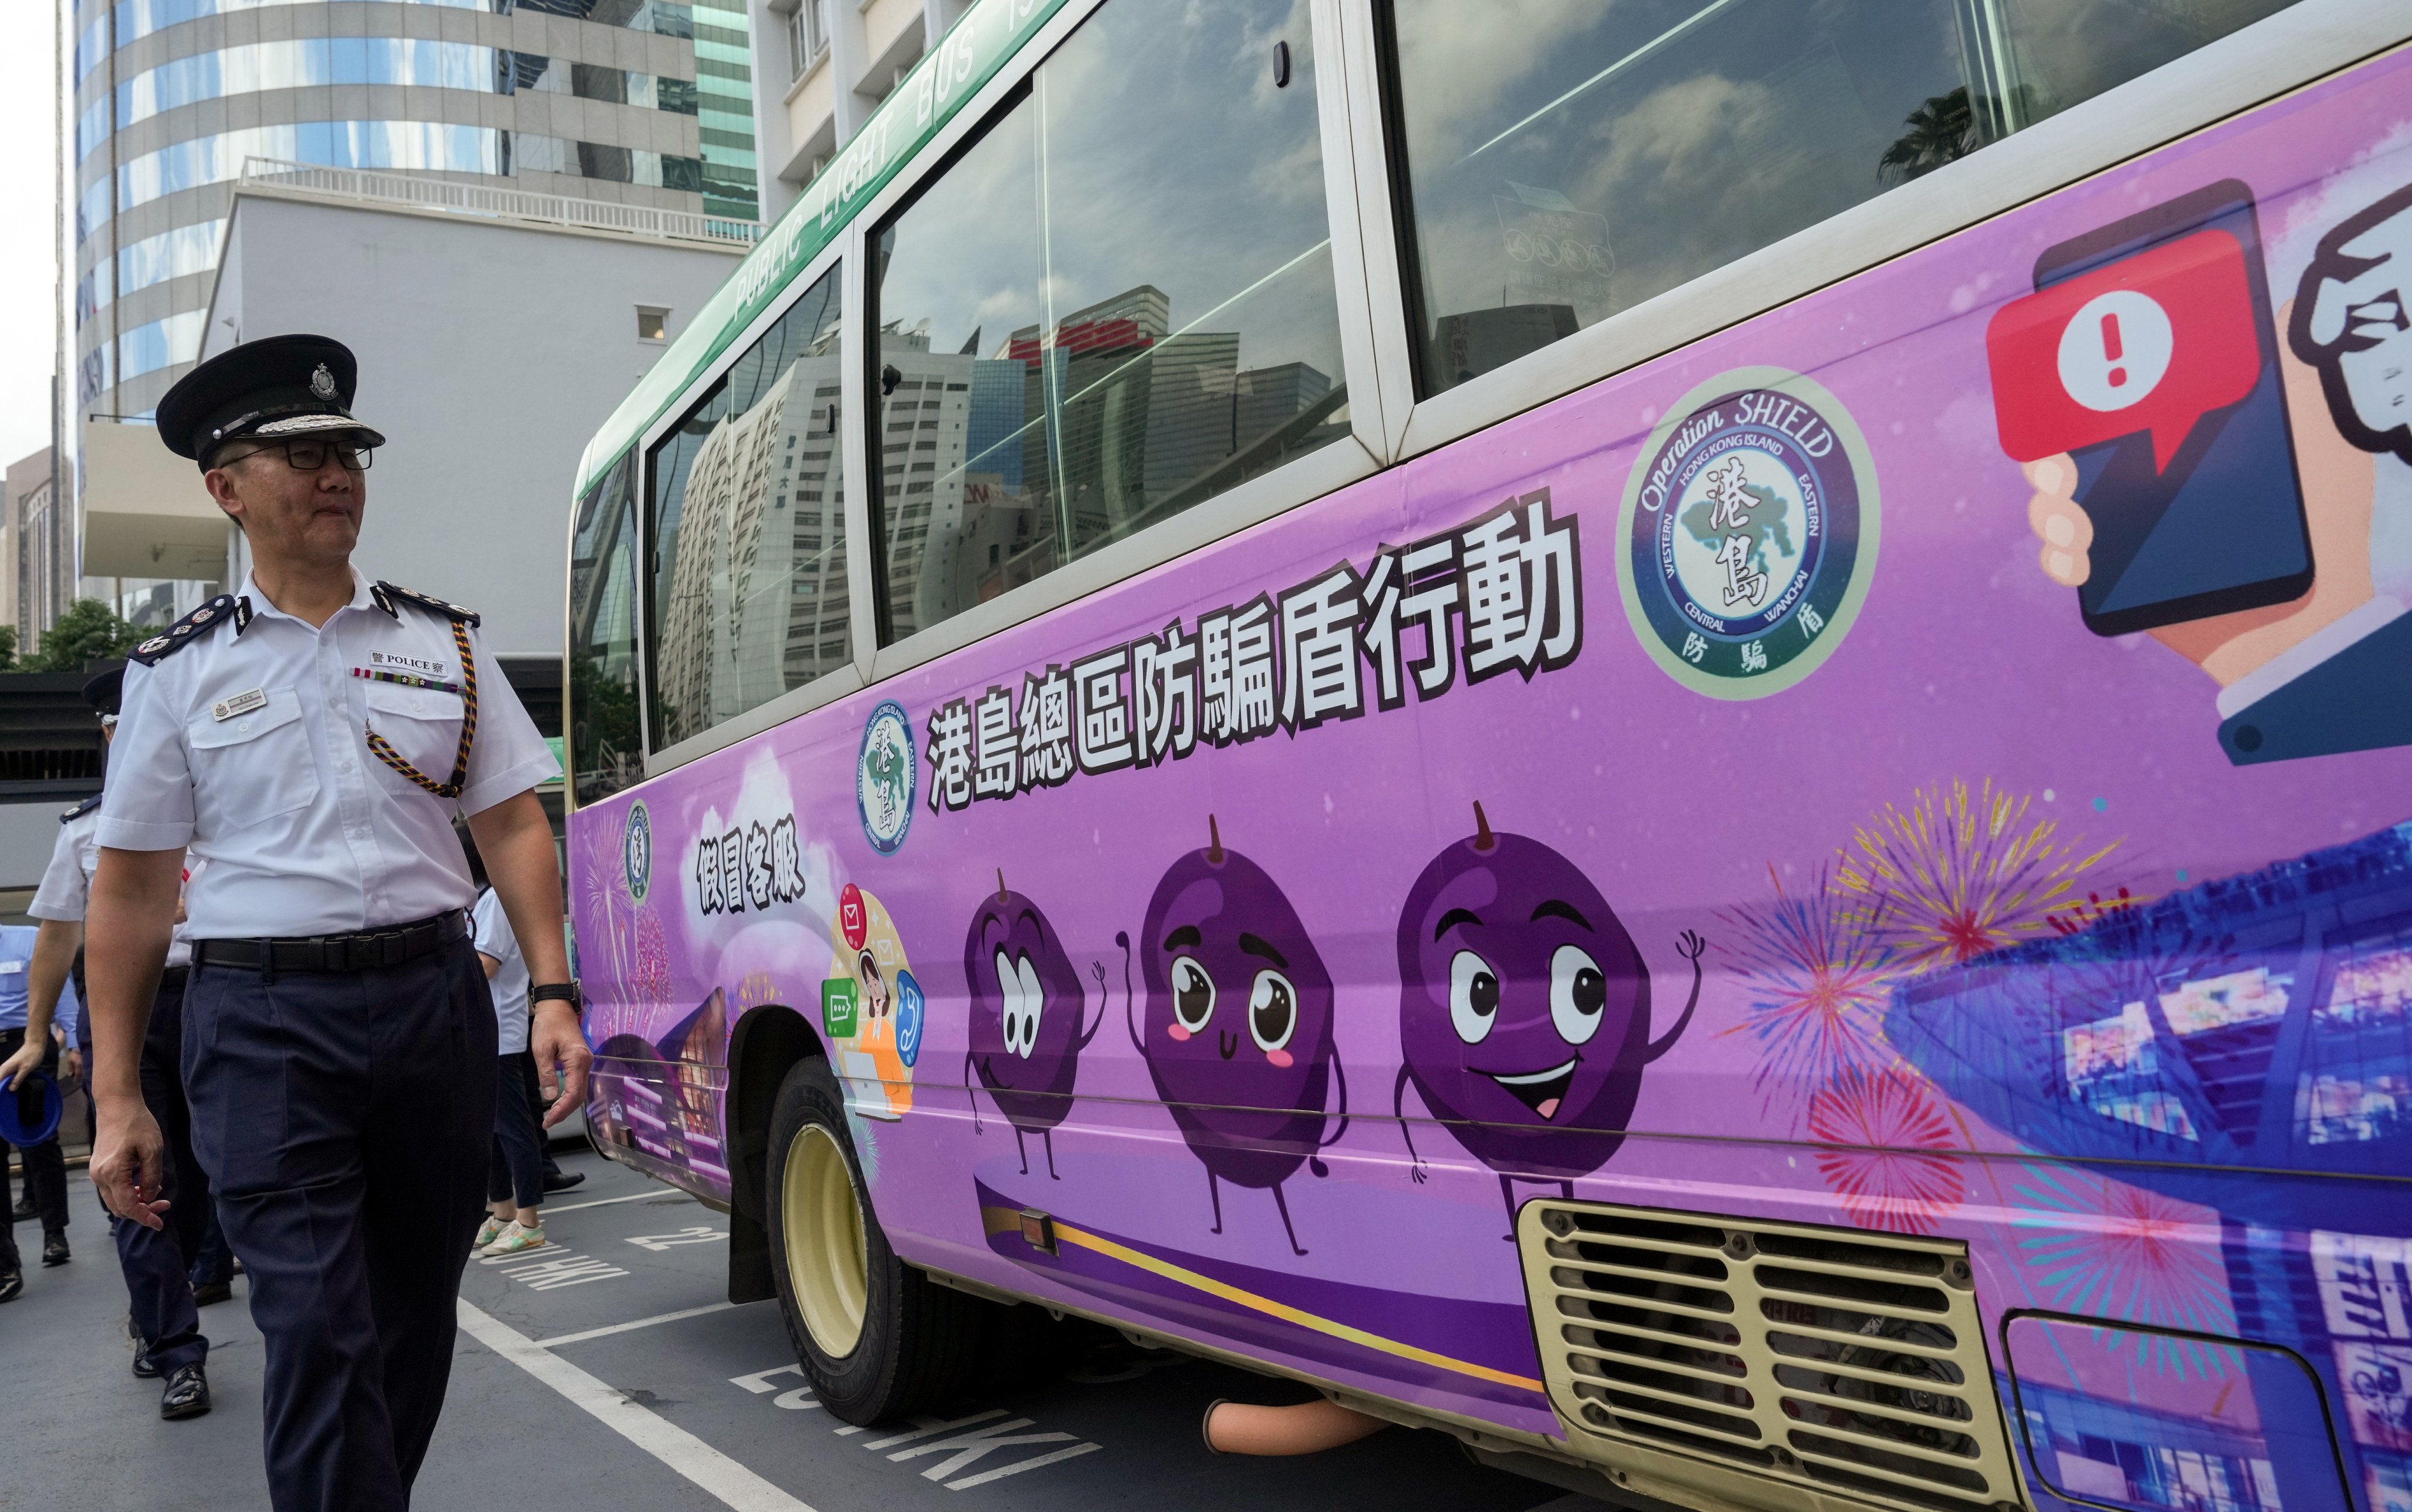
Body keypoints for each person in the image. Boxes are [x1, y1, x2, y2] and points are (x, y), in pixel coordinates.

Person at [82, 333, 591, 1511]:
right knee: (317, 1324)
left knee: (412, 1319)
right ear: (226, 489)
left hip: (434, 1004)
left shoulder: (443, 645)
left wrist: (554, 989)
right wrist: (117, 1095)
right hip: (263, 1021)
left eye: (347, 451)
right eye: (300, 454)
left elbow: (512, 825)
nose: (335, 473)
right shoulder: (177, 676)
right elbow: (132, 891)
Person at [10, 665, 217, 1414]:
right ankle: (175, 1352)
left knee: (195, 1179)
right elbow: (58, 938)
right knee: (136, 1176)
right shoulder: (85, 830)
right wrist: (38, 1035)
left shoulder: (217, 805)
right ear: (110, 734)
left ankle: (164, 1293)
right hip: (121, 1012)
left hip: (212, 1000)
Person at [469, 850, 549, 1257]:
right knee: (491, 1131)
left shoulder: (497, 899)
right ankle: (501, 1214)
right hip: (485, 1031)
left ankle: (529, 1220)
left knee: (513, 1128)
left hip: (499, 1029)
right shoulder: (484, 900)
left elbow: (486, 964)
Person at [0, 923, 71, 1299]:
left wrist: (75, 1043)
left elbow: (61, 993)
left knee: (39, 1145)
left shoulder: (28, 939)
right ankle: (4, 1263)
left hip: (25, 1046)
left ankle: (54, 1233)